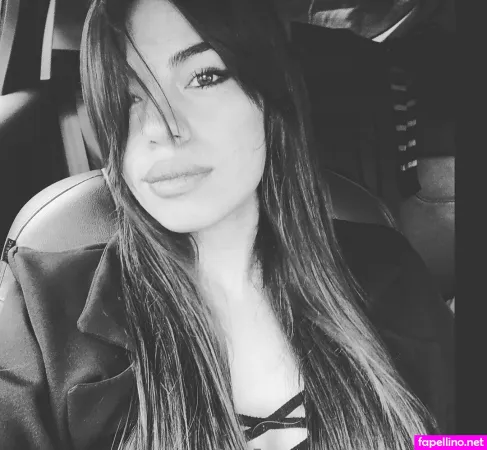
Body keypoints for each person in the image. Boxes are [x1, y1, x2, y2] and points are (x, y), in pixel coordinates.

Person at [0, 0, 454, 449]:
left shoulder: (390, 273)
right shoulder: (43, 308)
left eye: (203, 77)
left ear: (268, 94)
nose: (159, 128)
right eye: (126, 95)